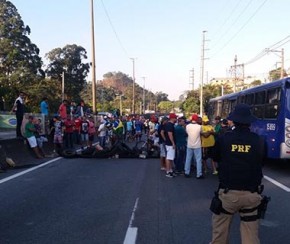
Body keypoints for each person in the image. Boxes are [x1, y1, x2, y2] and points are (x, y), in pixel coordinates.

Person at [210, 103, 266, 244]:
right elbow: (262, 161)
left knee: (220, 233)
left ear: (233, 120)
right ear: (250, 122)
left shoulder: (224, 138)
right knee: (250, 235)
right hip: (251, 195)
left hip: (228, 195)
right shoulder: (259, 140)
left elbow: (215, 157)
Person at [184, 114, 203, 179]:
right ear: (197, 119)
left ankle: (187, 172)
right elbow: (201, 133)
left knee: (188, 158)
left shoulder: (187, 126)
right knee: (198, 160)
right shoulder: (199, 127)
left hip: (189, 144)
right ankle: (199, 174)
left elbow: (186, 133)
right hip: (197, 145)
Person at [164, 113, 177, 178]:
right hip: (170, 144)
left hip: (169, 143)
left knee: (171, 157)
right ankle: (168, 171)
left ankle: (170, 170)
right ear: (172, 118)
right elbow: (170, 134)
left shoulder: (170, 124)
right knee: (169, 157)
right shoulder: (169, 125)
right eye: (175, 118)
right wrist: (173, 143)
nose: (176, 119)